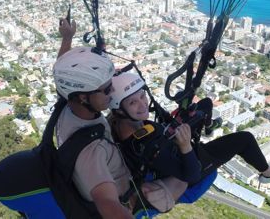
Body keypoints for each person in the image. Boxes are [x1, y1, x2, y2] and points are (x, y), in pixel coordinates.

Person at [54, 19, 187, 217]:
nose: (113, 92)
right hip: (127, 195)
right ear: (84, 96)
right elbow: (107, 203)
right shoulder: (91, 152)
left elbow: (64, 71)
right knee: (187, 177)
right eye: (107, 89)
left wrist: (67, 38)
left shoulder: (69, 103)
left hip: (114, 162)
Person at [108, 72, 270, 188]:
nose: (143, 105)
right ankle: (269, 174)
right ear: (119, 109)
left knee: (205, 104)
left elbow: (153, 130)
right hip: (190, 161)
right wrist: (186, 146)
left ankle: (209, 127)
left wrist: (171, 123)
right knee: (245, 139)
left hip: (170, 139)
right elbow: (191, 176)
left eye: (142, 96)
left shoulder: (121, 122)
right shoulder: (145, 146)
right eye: (133, 102)